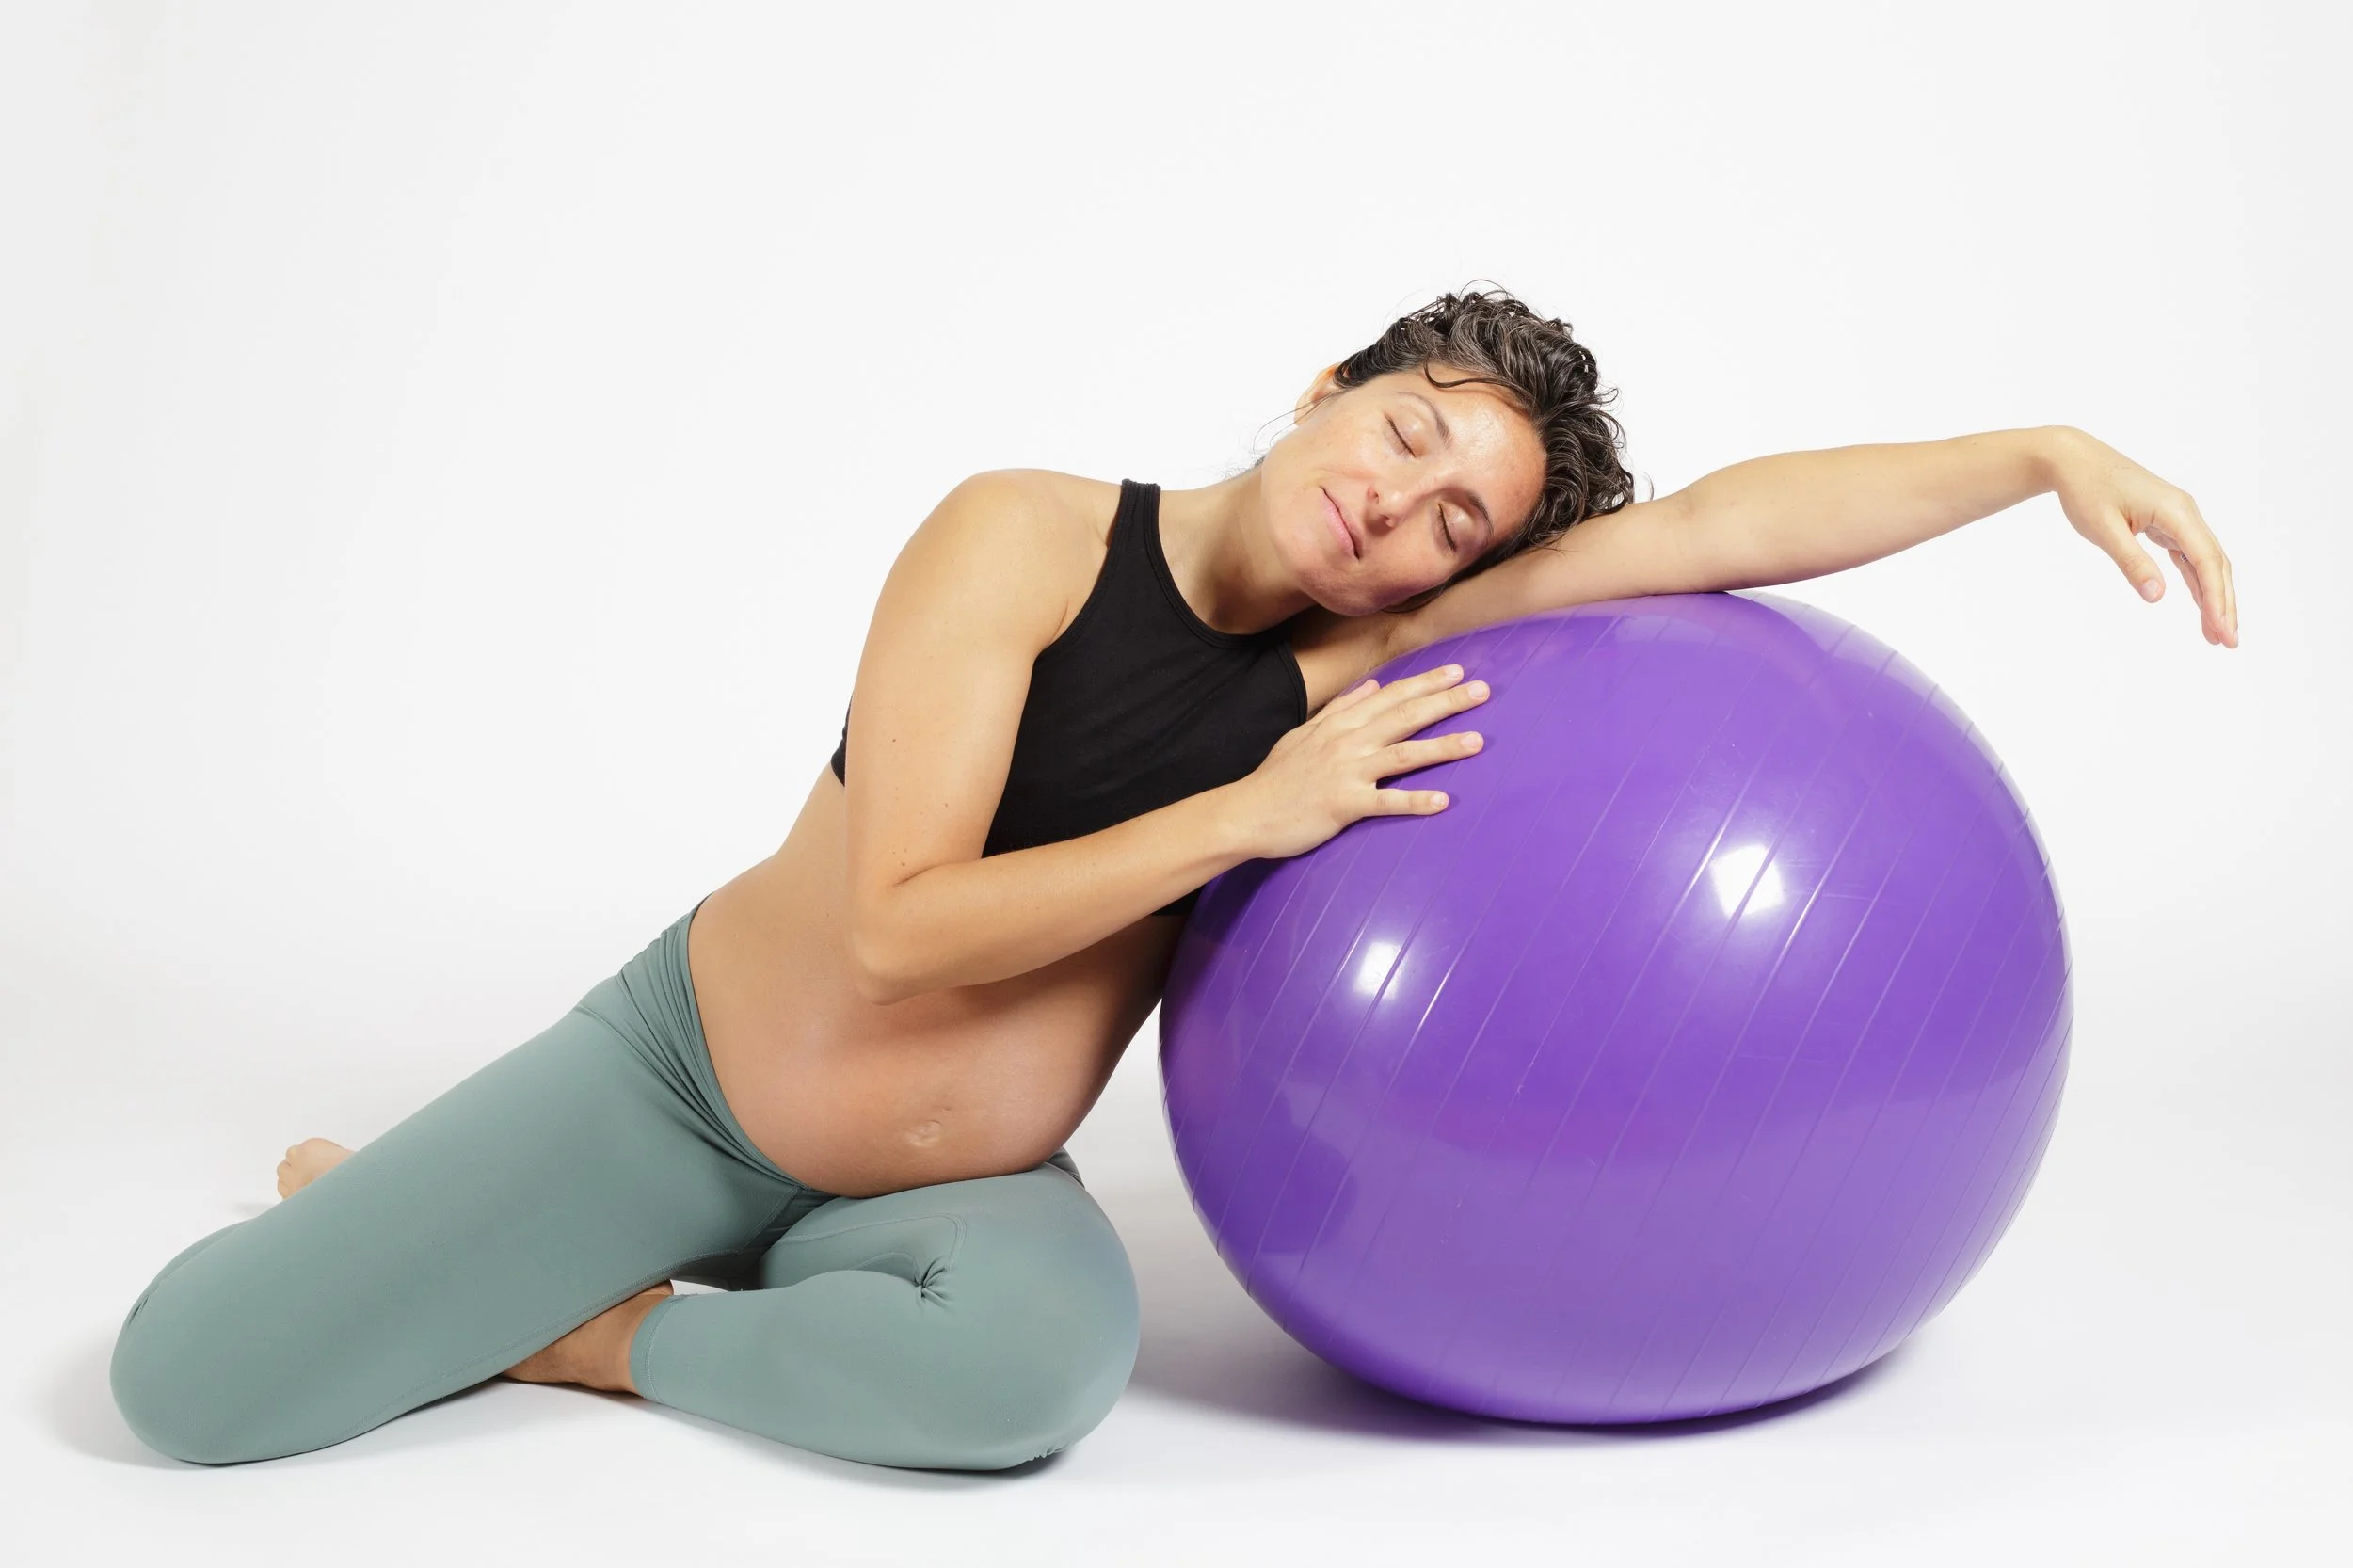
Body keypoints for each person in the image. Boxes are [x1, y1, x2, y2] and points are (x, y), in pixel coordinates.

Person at [105, 288, 2238, 1472]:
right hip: (687, 1088)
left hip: (950, 1182)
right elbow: (897, 921)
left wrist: (2035, 455)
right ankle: (435, 1211)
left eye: (1459, 527)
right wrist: (1251, 812)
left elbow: (1710, 532)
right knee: (189, 1384)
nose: (1401, 512)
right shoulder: (1021, 537)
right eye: (1406, 435)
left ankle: (595, 1332)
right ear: (1327, 386)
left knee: (1030, 1381)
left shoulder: (1366, 659)